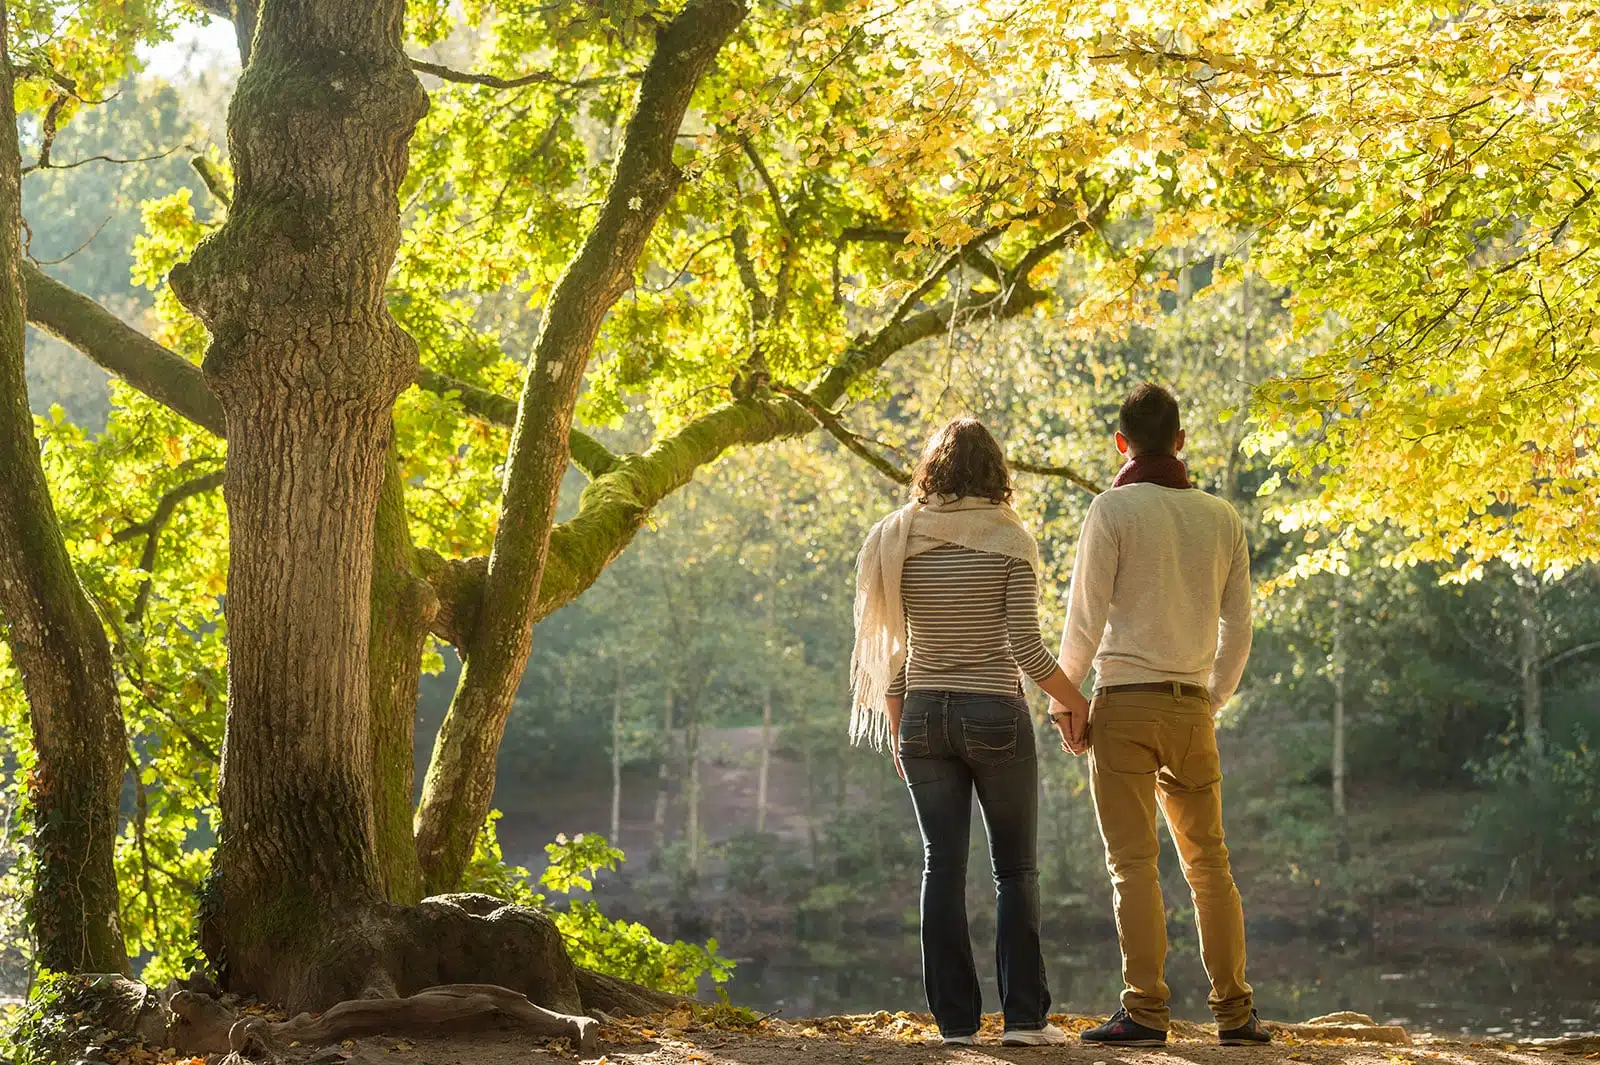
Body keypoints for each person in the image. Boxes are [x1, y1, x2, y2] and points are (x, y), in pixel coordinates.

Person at [850, 416, 1090, 1047]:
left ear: (932, 471)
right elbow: (1025, 647)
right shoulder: (1009, 539)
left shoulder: (901, 537)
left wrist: (900, 727)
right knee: (1015, 871)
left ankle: (956, 1025)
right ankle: (1024, 1023)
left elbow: (895, 652)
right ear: (997, 473)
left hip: (923, 716)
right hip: (994, 716)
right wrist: (1077, 702)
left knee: (942, 867)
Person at [1051, 383, 1270, 1048]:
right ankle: (1234, 1012)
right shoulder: (1221, 517)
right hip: (1189, 706)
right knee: (1210, 863)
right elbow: (1240, 627)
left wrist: (1066, 699)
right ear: (1179, 440)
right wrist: (1213, 697)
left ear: (1122, 443)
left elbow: (1084, 620)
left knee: (1133, 864)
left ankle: (1145, 1010)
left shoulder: (1112, 509)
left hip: (1123, 703)